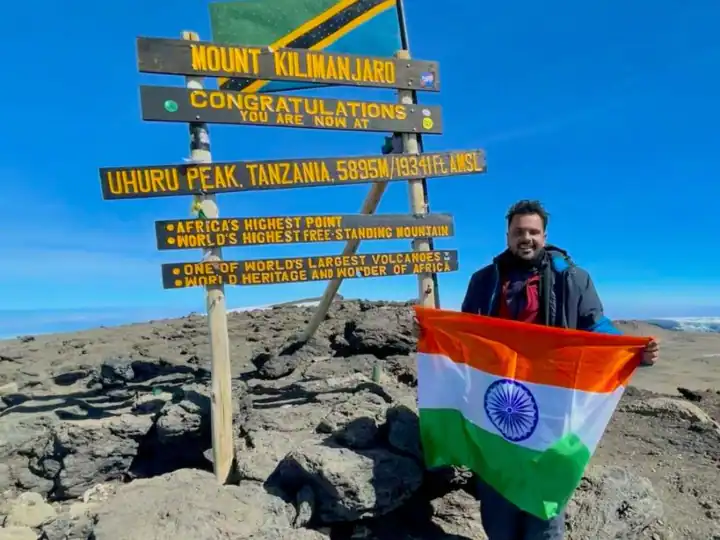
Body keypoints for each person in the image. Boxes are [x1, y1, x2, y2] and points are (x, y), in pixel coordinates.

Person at [460, 199, 659, 540]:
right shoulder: (485, 279)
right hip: (496, 402)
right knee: (497, 498)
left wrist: (631, 351)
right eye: (519, 232)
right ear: (507, 235)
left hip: (553, 406)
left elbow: (594, 325)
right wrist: (432, 335)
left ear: (545, 235)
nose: (526, 238)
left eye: (533, 232)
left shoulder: (573, 278)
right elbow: (465, 331)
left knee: (545, 501)